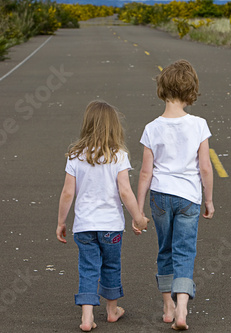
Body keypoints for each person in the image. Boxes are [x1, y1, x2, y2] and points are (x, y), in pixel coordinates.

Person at [135, 59, 215, 331]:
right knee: (185, 250)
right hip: (189, 197)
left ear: (162, 88)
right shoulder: (199, 125)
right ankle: (182, 306)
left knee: (165, 249)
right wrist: (209, 200)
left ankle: (167, 308)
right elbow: (205, 167)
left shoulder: (152, 128)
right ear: (191, 91)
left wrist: (138, 209)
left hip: (160, 196)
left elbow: (145, 173)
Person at [56, 100, 149, 332]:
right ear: (114, 127)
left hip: (84, 226)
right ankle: (111, 310)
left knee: (88, 268)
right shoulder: (118, 155)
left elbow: (68, 193)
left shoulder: (75, 155)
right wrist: (138, 217)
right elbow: (125, 191)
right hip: (111, 226)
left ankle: (87, 317)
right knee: (111, 265)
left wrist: (61, 222)